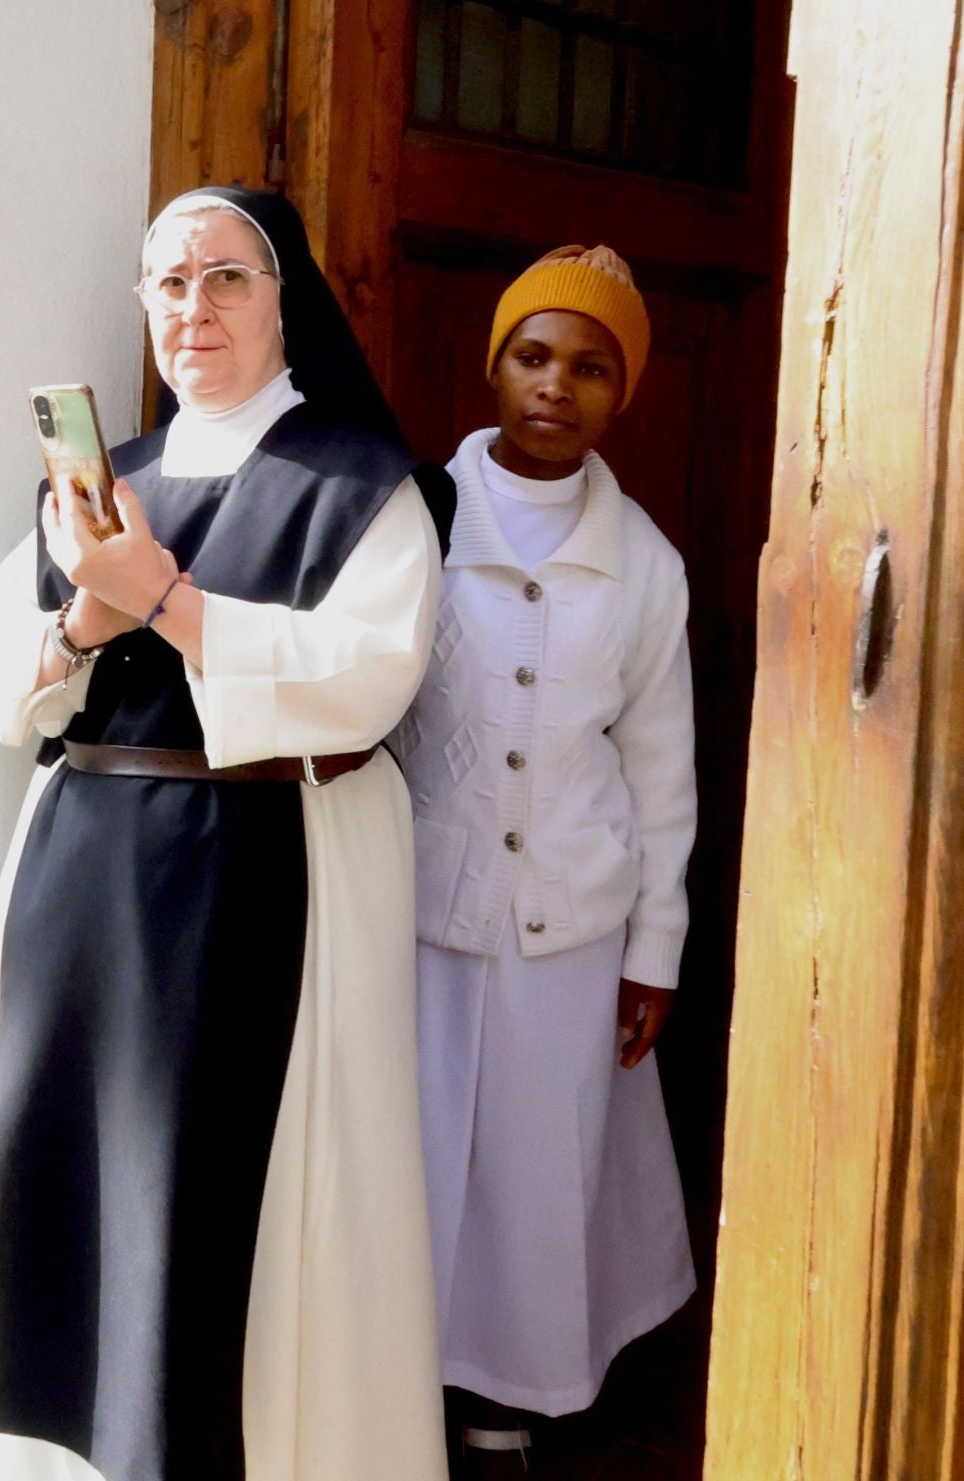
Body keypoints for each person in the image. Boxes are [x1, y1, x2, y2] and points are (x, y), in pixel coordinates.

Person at [0, 187, 456, 1481]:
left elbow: (370, 676)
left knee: (226, 1220)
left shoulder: (367, 483)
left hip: (260, 882)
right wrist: (86, 624)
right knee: (57, 1179)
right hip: (82, 883)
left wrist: (163, 595)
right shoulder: (104, 488)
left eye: (226, 277)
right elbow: (9, 689)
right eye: (167, 283)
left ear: (288, 302)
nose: (192, 307)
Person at [394, 246, 698, 1476]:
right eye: (533, 354)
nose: (555, 386)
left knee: (534, 1159)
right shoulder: (415, 515)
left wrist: (656, 950)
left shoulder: (648, 567)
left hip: (572, 913)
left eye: (590, 366)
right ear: (494, 364)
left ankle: (505, 1393)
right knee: (411, 1146)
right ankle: (394, 1372)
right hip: (420, 903)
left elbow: (660, 770)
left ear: (623, 392)